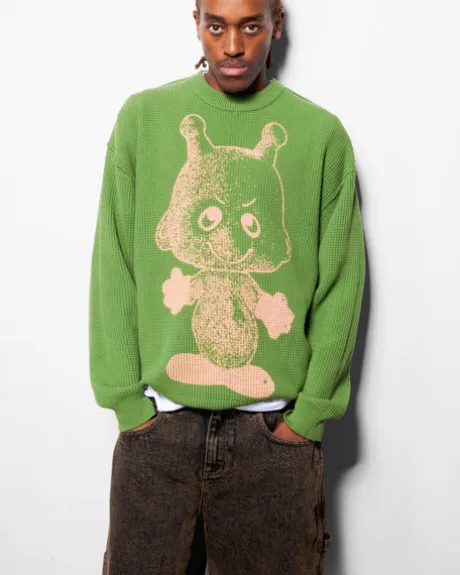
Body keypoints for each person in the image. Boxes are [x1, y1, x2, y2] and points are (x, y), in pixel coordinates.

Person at [88, 0, 366, 573]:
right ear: (196, 22)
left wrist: (307, 419)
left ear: (276, 25)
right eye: (216, 26)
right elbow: (114, 261)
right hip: (158, 435)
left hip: (273, 441)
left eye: (250, 26)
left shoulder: (320, 136)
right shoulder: (144, 120)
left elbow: (342, 282)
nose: (233, 46)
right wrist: (127, 405)